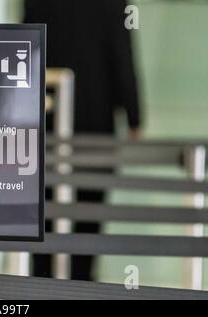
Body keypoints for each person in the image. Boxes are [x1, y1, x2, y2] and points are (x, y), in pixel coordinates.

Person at [24, 0, 142, 280]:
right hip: (95, 121)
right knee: (89, 210)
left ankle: (42, 280)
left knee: (43, 211)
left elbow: (25, 50)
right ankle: (81, 282)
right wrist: (134, 115)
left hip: (45, 120)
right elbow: (121, 55)